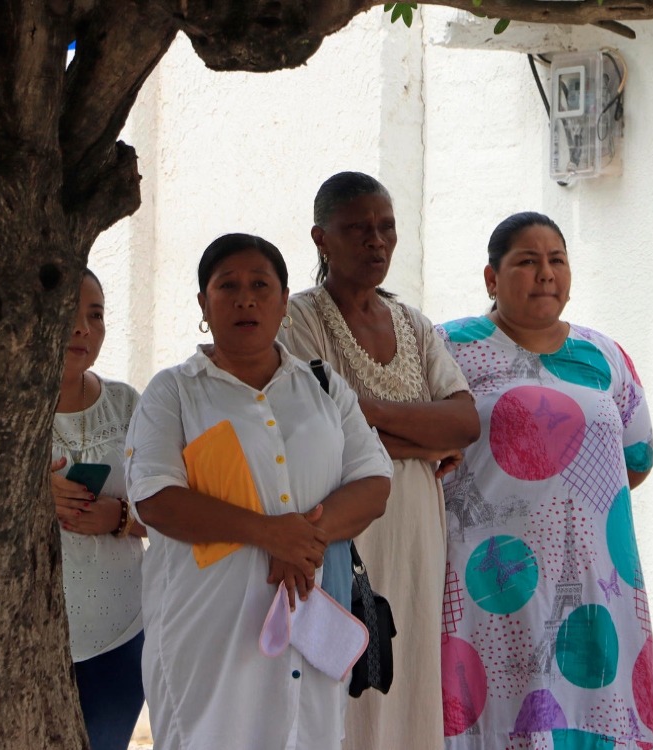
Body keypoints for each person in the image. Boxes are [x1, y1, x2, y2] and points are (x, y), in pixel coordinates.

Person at [125, 233, 394, 749]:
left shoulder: (323, 385)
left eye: (260, 285)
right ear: (204, 304)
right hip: (209, 632)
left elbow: (374, 483)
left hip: (312, 622)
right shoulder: (173, 391)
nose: (245, 298)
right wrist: (273, 535)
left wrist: (303, 540)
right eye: (227, 286)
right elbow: (156, 499)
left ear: (283, 301)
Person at [436, 212, 653, 748]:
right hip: (485, 578)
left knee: (591, 712)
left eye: (557, 260)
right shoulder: (449, 346)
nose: (546, 274)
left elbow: (637, 456)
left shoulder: (604, 354)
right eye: (527, 261)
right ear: (492, 278)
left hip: (594, 578)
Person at [278, 171, 480, 749]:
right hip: (347, 527)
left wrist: (363, 409)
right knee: (346, 674)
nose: (377, 241)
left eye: (386, 227)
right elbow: (323, 430)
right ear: (322, 239)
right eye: (358, 228)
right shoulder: (297, 321)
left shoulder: (414, 324)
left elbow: (465, 422)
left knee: (409, 668)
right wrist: (427, 440)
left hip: (418, 528)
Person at [49, 268, 146, 750]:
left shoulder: (127, 403)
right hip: (25, 640)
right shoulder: (4, 410)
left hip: (119, 636)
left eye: (96, 315)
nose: (83, 328)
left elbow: (174, 508)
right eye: (70, 314)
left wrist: (121, 518)